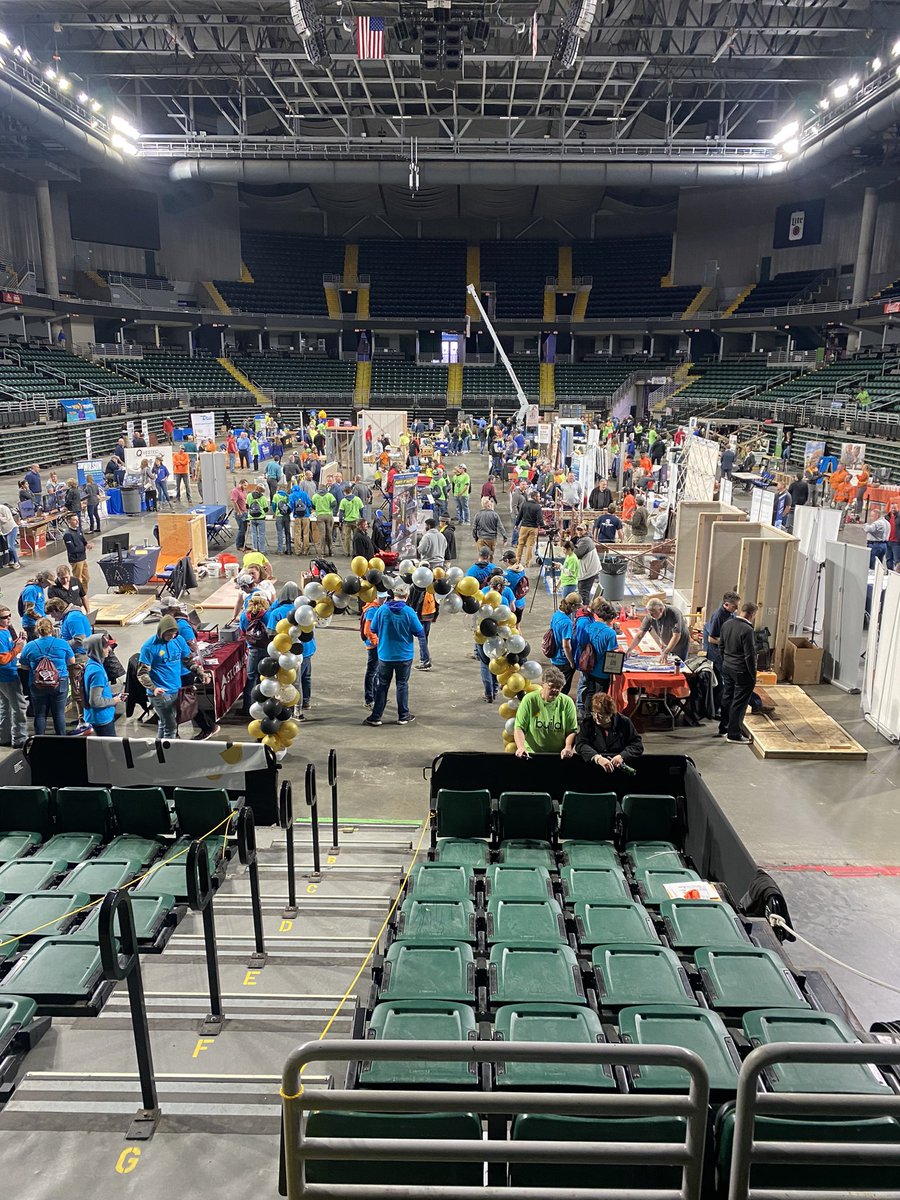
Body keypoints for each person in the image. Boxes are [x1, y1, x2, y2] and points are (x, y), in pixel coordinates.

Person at [136, 614, 206, 741]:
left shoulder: (178, 640)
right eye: (169, 634)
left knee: (164, 723)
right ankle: (169, 755)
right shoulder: (149, 647)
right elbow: (142, 673)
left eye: (174, 634)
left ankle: (159, 752)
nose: (172, 637)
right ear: (161, 631)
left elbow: (188, 662)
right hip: (159, 694)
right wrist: (154, 688)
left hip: (176, 690)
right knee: (171, 727)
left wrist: (201, 673)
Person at [364, 582, 424, 726]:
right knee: (402, 684)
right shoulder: (409, 612)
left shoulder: (382, 610)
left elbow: (373, 628)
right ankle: (403, 715)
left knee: (382, 685)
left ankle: (376, 716)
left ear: (393, 594)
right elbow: (419, 632)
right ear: (407, 595)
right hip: (404, 656)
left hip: (385, 655)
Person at [19, 616, 74, 736]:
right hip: (60, 682)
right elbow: (72, 661)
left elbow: (24, 666)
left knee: (39, 714)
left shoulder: (30, 646)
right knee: (59, 713)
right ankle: (61, 740)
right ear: (52, 629)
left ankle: (39, 741)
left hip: (37, 684)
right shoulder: (62, 643)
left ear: (37, 630)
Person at [716, 600, 758, 744]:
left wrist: (725, 662)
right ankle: (734, 734)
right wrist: (753, 673)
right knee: (739, 701)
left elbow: (721, 646)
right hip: (741, 670)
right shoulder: (747, 630)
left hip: (727, 666)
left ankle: (724, 727)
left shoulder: (727, 624)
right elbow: (749, 655)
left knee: (727, 696)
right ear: (752, 615)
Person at [513, 665, 577, 759]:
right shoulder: (529, 700)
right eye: (551, 686)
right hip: (532, 754)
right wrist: (521, 747)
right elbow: (519, 727)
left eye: (558, 687)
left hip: (558, 755)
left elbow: (571, 730)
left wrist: (568, 747)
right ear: (543, 684)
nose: (555, 690)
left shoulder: (567, 702)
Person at [575, 691, 644, 772]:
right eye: (594, 713)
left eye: (600, 715)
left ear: (610, 714)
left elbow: (637, 745)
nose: (596, 717)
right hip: (594, 767)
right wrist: (597, 758)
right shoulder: (588, 722)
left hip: (619, 768)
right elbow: (580, 744)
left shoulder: (624, 722)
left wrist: (622, 756)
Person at [578, 599, 620, 715]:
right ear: (610, 618)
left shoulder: (589, 626)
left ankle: (587, 716)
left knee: (589, 693)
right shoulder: (610, 633)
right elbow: (612, 656)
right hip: (602, 673)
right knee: (600, 698)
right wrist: (614, 675)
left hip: (589, 668)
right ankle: (598, 717)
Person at [704, 591, 740, 714]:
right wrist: (728, 642)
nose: (736, 609)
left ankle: (718, 707)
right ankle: (715, 709)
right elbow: (711, 638)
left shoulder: (731, 614)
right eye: (734, 606)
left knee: (726, 683)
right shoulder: (719, 616)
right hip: (718, 655)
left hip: (726, 654)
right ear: (726, 604)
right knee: (722, 684)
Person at [626, 597, 690, 664]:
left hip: (680, 644)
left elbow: (676, 636)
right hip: (666, 642)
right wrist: (629, 649)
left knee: (678, 665)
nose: (651, 615)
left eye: (653, 613)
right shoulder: (650, 616)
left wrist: (666, 652)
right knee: (663, 663)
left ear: (661, 610)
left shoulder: (674, 613)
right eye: (650, 613)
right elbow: (640, 635)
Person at [82, 633, 120, 736]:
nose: (109, 649)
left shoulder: (92, 664)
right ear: (97, 649)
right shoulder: (97, 672)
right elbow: (95, 701)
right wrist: (114, 701)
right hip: (101, 719)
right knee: (109, 751)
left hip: (97, 717)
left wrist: (112, 695)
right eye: (106, 646)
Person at [240, 593, 272, 713]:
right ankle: (265, 704)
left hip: (253, 649)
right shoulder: (268, 615)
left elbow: (243, 632)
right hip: (267, 649)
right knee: (265, 677)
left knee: (250, 677)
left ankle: (247, 706)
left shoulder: (245, 615)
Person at [0, 604, 27, 747]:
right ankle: (20, 738)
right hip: (7, 675)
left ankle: (3, 737)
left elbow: (9, 650)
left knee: (6, 706)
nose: (9, 619)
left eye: (10, 615)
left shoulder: (5, 631)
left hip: (6, 675)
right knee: (19, 706)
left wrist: (18, 642)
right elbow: (3, 659)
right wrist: (18, 649)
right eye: (5, 617)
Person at [547, 592, 579, 694]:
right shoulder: (566, 623)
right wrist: (571, 662)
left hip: (555, 657)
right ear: (573, 606)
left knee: (555, 685)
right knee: (562, 690)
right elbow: (566, 646)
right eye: (577, 607)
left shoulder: (556, 614)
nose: (578, 609)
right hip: (563, 661)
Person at [360, 589, 385, 708]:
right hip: (373, 645)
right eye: (382, 598)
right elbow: (368, 630)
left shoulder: (375, 607)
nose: (384, 600)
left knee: (376, 672)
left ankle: (375, 696)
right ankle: (369, 699)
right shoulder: (372, 610)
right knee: (372, 672)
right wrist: (376, 642)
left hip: (376, 644)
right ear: (376, 597)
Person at [408, 579, 438, 671]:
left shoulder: (416, 586)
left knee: (422, 638)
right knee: (425, 637)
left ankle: (425, 661)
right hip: (430, 613)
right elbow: (437, 601)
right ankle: (425, 655)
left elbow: (412, 601)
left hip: (421, 614)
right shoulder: (432, 585)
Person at [62, 514, 91, 596]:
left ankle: (84, 595)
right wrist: (83, 548)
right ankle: (77, 596)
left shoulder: (78, 530)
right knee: (77, 579)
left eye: (77, 519)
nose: (77, 521)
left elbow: (83, 541)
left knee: (86, 578)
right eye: (74, 520)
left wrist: (87, 545)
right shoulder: (67, 535)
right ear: (69, 522)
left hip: (83, 558)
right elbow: (72, 549)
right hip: (76, 559)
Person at [515, 489, 545, 569]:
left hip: (524, 527)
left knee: (520, 544)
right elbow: (540, 519)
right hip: (533, 528)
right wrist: (544, 526)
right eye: (538, 496)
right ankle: (527, 563)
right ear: (534, 497)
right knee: (530, 546)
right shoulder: (537, 507)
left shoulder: (524, 504)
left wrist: (516, 524)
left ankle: (517, 561)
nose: (539, 498)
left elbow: (520, 515)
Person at [572, 524, 600, 605]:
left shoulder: (585, 540)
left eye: (581, 530)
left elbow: (577, 554)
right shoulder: (584, 539)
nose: (579, 532)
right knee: (584, 591)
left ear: (585, 531)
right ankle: (585, 609)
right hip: (589, 569)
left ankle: (585, 610)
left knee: (583, 592)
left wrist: (571, 546)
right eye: (578, 530)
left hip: (588, 571)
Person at [501, 550, 528, 625]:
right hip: (521, 602)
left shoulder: (507, 575)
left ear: (507, 560)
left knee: (511, 628)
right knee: (517, 626)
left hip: (512, 604)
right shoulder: (521, 570)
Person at [311, 482, 336, 555]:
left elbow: (313, 506)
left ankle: (322, 552)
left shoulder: (315, 496)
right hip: (328, 515)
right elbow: (334, 503)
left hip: (320, 516)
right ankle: (330, 551)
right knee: (329, 533)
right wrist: (330, 508)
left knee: (322, 534)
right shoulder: (329, 495)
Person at [338, 486, 364, 556]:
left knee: (347, 538)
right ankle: (356, 551)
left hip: (347, 522)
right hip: (356, 521)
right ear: (351, 491)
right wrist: (362, 518)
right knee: (356, 537)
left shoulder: (343, 501)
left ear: (344, 492)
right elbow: (361, 509)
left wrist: (340, 521)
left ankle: (347, 552)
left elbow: (341, 512)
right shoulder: (357, 499)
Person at [246, 484, 269, 553]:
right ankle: (262, 550)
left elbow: (247, 506)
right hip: (261, 518)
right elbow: (266, 509)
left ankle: (255, 548)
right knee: (261, 534)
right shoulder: (263, 498)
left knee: (254, 534)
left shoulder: (249, 495)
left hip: (252, 517)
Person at [272, 484, 292, 555]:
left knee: (280, 533)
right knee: (287, 533)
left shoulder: (275, 496)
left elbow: (274, 505)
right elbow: (290, 506)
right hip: (286, 516)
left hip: (279, 516)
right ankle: (289, 549)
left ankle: (280, 550)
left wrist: (275, 512)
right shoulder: (287, 496)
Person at [0, 500, 20, 569]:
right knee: (8, 547)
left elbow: (7, 519)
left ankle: (16, 562)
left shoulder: (4, 508)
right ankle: (11, 561)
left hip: (12, 528)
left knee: (10, 546)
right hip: (4, 530)